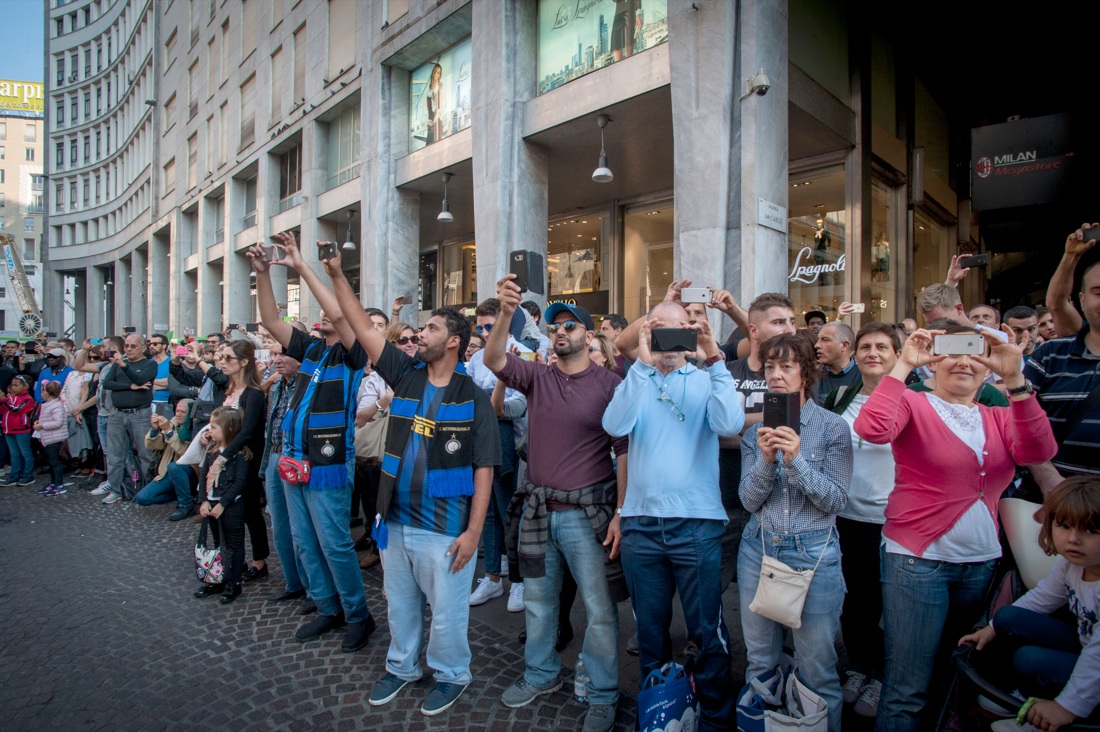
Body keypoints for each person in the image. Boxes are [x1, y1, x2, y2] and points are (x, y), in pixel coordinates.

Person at [853, 325, 1058, 731]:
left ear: (988, 367)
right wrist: (903, 366)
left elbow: (1039, 450)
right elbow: (871, 428)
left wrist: (1016, 379)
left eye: (976, 353)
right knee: (907, 686)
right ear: (934, 361)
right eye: (952, 352)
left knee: (951, 675)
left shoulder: (999, 415)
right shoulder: (915, 402)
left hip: (979, 565)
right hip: (917, 562)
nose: (964, 361)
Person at [327, 252, 500, 718]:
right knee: (398, 603)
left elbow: (484, 468)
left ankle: (450, 674)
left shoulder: (474, 398)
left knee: (447, 615)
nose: (419, 335)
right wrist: (339, 276)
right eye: (420, 329)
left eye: (431, 330)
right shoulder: (404, 376)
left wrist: (474, 533)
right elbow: (365, 329)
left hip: (445, 528)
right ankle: (402, 667)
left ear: (454, 342)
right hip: (393, 520)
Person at [487, 277, 627, 732]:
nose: (561, 332)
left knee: (600, 611)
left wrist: (622, 513)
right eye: (555, 327)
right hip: (538, 512)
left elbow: (623, 451)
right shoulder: (537, 376)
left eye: (570, 325)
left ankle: (604, 693)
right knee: (540, 604)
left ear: (589, 334)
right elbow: (492, 359)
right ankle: (541, 674)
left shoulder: (611, 384)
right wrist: (506, 313)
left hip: (589, 516)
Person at [603, 302, 744, 730]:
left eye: (680, 330)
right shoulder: (638, 378)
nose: (671, 339)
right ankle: (660, 714)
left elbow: (729, 421)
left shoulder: (705, 378)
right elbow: (614, 424)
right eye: (660, 329)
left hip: (696, 524)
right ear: (647, 332)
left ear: (692, 331)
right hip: (642, 525)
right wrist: (642, 364)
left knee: (706, 629)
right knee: (649, 631)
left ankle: (715, 719)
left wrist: (714, 354)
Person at [249, 233, 376, 654]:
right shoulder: (311, 351)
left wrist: (304, 266)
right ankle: (327, 607)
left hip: (328, 464)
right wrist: (262, 273)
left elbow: (342, 316)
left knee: (334, 543)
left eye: (328, 310)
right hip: (294, 460)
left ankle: (358, 615)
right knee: (305, 541)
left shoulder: (352, 354)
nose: (323, 313)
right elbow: (269, 319)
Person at [738, 333, 852, 731]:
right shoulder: (755, 433)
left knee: (817, 668)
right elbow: (749, 501)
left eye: (786, 366)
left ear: (805, 373)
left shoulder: (832, 428)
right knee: (760, 661)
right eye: (770, 367)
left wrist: (797, 461)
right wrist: (767, 461)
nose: (776, 375)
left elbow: (836, 500)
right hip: (760, 547)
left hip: (814, 554)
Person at [959, 475, 1100, 730]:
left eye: (1090, 530)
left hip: (1096, 657)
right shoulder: (1073, 566)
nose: (1073, 539)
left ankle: (1046, 713)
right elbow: (1043, 597)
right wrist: (992, 627)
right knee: (1006, 618)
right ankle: (1027, 693)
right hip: (1087, 644)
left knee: (1029, 660)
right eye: (1064, 526)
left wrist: (1067, 708)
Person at [822, 322, 900, 717]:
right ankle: (858, 668)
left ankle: (885, 677)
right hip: (847, 515)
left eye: (882, 346)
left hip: (895, 520)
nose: (873, 352)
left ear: (898, 356)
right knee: (854, 599)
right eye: (866, 345)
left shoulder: (913, 399)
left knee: (891, 603)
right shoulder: (841, 396)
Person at [464, 298, 528, 610]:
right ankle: (492, 577)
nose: (485, 331)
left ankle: (518, 580)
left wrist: (489, 400)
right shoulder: (477, 359)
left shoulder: (520, 352)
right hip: (482, 439)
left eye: (490, 326)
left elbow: (515, 405)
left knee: (508, 512)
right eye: (481, 327)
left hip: (510, 446)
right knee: (488, 512)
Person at [1025, 258, 1100, 494]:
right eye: (1098, 292)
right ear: (1082, 300)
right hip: (1054, 509)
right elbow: (1017, 421)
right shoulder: (1049, 355)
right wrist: (1047, 478)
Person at [214, 340, 270, 583]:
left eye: (228, 358)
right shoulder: (230, 390)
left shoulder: (254, 394)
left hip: (246, 459)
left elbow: (248, 432)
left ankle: (260, 561)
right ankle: (236, 556)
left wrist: (225, 455)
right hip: (229, 456)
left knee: (250, 510)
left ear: (243, 362)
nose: (222, 362)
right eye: (221, 358)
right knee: (231, 510)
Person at [261, 350, 312, 608]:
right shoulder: (277, 385)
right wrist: (265, 465)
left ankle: (315, 589)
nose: (277, 360)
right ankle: (293, 583)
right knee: (279, 528)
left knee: (301, 530)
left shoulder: (308, 383)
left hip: (296, 460)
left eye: (284, 354)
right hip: (274, 457)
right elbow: (270, 429)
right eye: (274, 354)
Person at [192, 407, 254, 604]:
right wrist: (203, 500)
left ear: (228, 430)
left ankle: (234, 582)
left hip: (231, 506)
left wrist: (223, 504)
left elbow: (239, 483)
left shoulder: (240, 455)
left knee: (234, 545)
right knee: (219, 543)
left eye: (214, 427)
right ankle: (218, 577)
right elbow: (203, 476)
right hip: (211, 504)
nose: (210, 431)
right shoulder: (211, 450)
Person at [100, 334, 157, 505]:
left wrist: (124, 366)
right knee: (115, 455)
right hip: (117, 414)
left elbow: (141, 379)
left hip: (140, 414)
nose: (129, 349)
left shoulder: (149, 364)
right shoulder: (117, 365)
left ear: (143, 348)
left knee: (145, 454)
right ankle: (115, 490)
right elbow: (107, 383)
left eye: (133, 346)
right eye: (126, 346)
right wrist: (130, 386)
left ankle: (147, 490)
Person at [133, 400, 197, 519]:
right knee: (142, 498)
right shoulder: (173, 423)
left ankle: (186, 504)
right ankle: (179, 494)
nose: (178, 414)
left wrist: (169, 431)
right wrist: (154, 430)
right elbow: (152, 445)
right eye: (177, 411)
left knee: (174, 466)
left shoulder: (194, 427)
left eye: (183, 412)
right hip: (167, 473)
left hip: (188, 471)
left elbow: (184, 453)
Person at [1045, 223, 1096, 338]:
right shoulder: (1083, 338)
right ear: (1082, 300)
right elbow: (1056, 304)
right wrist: (1071, 255)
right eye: (1098, 293)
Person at [0, 376, 36, 486]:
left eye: (16, 385)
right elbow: (3, 410)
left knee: (25, 452)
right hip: (8, 429)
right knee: (14, 453)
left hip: (21, 429)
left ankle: (28, 474)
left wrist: (4, 401)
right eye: (12, 385)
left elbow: (16, 410)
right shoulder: (10, 398)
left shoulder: (28, 399)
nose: (13, 388)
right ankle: (14, 474)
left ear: (25, 386)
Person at [34, 381, 69, 496]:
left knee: (55, 463)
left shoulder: (56, 405)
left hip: (55, 438)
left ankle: (59, 484)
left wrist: (42, 425)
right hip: (49, 438)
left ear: (46, 392)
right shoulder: (50, 405)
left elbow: (57, 422)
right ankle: (54, 483)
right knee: (51, 462)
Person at [814, 321, 859, 404]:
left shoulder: (863, 377)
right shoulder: (813, 377)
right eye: (818, 340)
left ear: (845, 345)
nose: (817, 345)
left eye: (825, 340)